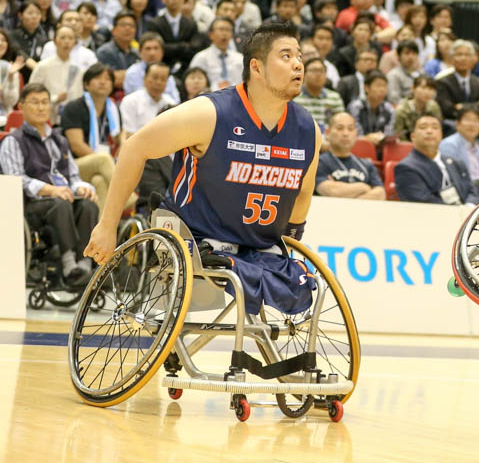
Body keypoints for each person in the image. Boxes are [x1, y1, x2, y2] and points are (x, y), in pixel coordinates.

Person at [84, 20, 322, 319]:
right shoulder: (209, 113)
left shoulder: (307, 129)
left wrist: (290, 241)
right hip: (197, 239)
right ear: (257, 68)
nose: (298, 64)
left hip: (259, 246)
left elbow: (303, 191)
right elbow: (134, 147)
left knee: (310, 283)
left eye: (299, 56)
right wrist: (107, 225)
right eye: (286, 56)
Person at [0, 84, 99, 285]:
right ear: (22, 106)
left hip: (62, 197)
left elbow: (72, 175)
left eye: (45, 102)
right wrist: (49, 189)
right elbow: (15, 178)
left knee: (88, 204)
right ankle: (69, 264)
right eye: (35, 102)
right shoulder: (14, 140)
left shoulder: (59, 140)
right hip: (31, 205)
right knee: (59, 203)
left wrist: (81, 186)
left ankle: (85, 265)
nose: (41, 108)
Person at [58, 64, 119, 209]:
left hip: (101, 167)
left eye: (107, 79)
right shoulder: (74, 107)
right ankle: (128, 196)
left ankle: (98, 229)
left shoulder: (113, 109)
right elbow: (76, 145)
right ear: (86, 84)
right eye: (98, 78)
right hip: (73, 165)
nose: (103, 82)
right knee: (103, 159)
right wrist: (101, 161)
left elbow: (118, 137)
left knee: (99, 181)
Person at [394, 113, 478, 205]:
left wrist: (469, 207)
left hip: (467, 215)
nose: (429, 131)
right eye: (423, 127)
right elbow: (424, 202)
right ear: (412, 136)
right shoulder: (406, 168)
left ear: (441, 135)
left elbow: (473, 191)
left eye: (435, 127)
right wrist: (459, 213)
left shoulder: (456, 163)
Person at [316, 112, 385, 200]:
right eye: (340, 128)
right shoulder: (318, 162)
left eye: (350, 129)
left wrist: (348, 194)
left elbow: (380, 194)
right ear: (328, 133)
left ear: (356, 133)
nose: (346, 133)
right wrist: (364, 187)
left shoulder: (367, 165)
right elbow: (331, 191)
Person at [120, 62, 178, 139]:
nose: (158, 82)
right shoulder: (130, 101)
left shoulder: (171, 103)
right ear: (145, 78)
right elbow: (128, 134)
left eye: (163, 79)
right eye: (155, 77)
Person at [435, 40, 479, 122]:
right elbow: (447, 109)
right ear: (452, 58)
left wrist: (460, 106)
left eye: (467, 55)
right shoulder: (443, 82)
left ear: (473, 59)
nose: (463, 58)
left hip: (475, 122)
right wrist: (476, 105)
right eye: (459, 54)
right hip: (453, 122)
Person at [188, 17, 244, 89]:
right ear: (211, 35)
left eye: (228, 30)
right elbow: (192, 83)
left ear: (232, 35)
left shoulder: (240, 58)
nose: (225, 33)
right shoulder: (201, 58)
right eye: (221, 29)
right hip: (208, 97)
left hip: (236, 97)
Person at [123, 33, 181, 101]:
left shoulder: (166, 72)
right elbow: (137, 101)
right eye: (148, 49)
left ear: (162, 52)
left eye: (156, 48)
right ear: (140, 52)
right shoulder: (132, 73)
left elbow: (176, 100)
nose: (152, 53)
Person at [439, 107, 479, 183]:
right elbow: (451, 177)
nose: (472, 124)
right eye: (468, 120)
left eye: (476, 121)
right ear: (458, 124)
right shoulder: (449, 145)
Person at [294, 57, 345, 129]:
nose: (318, 74)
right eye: (314, 70)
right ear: (303, 74)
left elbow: (341, 124)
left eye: (321, 71)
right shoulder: (294, 97)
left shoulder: (334, 97)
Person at [347, 70, 394, 147]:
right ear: (367, 88)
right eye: (378, 86)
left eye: (385, 86)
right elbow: (353, 135)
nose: (382, 90)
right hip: (358, 147)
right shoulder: (356, 107)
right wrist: (367, 138)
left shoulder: (389, 109)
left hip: (382, 148)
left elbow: (388, 134)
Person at [393, 75, 444, 141]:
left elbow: (437, 129)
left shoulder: (434, 106)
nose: (427, 92)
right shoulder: (401, 109)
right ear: (413, 88)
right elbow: (399, 136)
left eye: (431, 89)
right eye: (423, 88)